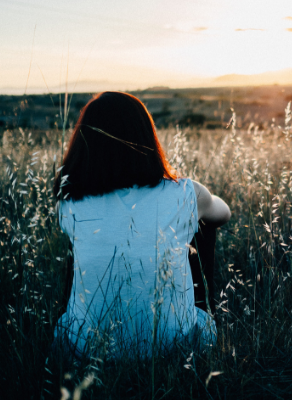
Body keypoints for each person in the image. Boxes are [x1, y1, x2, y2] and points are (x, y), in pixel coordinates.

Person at [53, 91, 230, 358]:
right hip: (173, 344)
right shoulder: (185, 193)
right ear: (147, 137)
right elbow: (223, 214)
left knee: (80, 246)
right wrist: (200, 201)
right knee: (201, 226)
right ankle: (204, 313)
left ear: (85, 142)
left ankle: (88, 318)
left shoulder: (69, 202)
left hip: (86, 348)